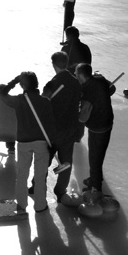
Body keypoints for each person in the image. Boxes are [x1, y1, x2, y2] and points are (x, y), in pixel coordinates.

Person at [0, 72, 56, 213]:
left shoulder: (19, 101)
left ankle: (22, 205)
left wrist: (14, 81)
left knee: (22, 174)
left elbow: (2, 94)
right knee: (40, 175)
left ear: (23, 85)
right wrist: (53, 145)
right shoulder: (45, 101)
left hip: (24, 143)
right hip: (41, 143)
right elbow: (50, 125)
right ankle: (40, 205)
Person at [41, 52, 82, 203]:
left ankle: (37, 186)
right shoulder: (76, 82)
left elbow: (43, 103)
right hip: (70, 127)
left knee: (44, 159)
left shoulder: (52, 83)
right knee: (66, 160)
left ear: (53, 64)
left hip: (53, 130)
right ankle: (60, 191)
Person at [75, 63, 115, 197]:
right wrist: (102, 97)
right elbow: (112, 88)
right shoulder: (101, 79)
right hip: (108, 122)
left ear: (80, 75)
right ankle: (94, 179)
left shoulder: (87, 90)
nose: (75, 76)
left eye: (76, 74)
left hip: (98, 128)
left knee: (94, 158)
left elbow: (82, 118)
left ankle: (96, 189)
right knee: (99, 155)